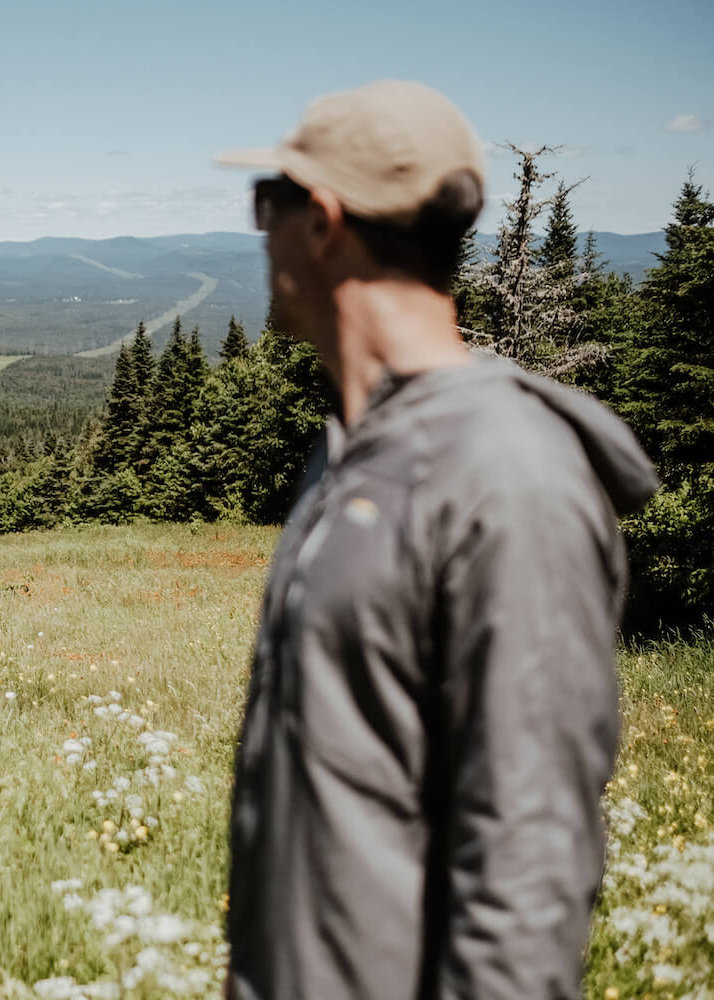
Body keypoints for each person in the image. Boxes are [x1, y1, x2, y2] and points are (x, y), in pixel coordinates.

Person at [213, 80, 659, 999]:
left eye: (268, 203)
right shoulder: (353, 450)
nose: (259, 233)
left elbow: (526, 865)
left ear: (324, 222)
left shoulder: (508, 479)